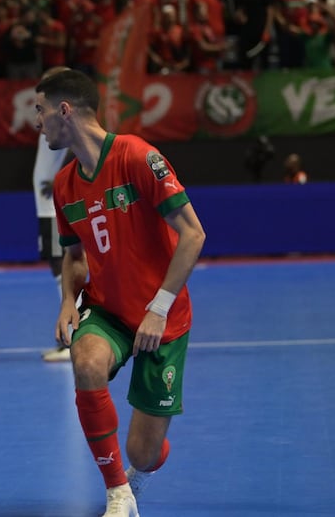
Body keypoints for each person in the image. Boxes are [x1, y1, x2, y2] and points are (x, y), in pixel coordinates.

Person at [36, 68, 206, 517]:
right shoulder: (64, 185)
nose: (37, 121)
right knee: (86, 362)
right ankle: (118, 492)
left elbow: (193, 234)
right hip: (108, 310)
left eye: (40, 109)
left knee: (143, 454)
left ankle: (138, 473)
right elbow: (75, 256)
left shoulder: (137, 156)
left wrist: (159, 307)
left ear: (65, 110)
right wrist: (68, 302)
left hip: (163, 316)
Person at [35, 130, 74, 362]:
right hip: (45, 208)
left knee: (63, 268)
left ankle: (72, 339)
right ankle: (68, 340)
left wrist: (60, 177)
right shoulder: (46, 129)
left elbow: (77, 143)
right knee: (56, 268)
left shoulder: (58, 127)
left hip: (52, 209)